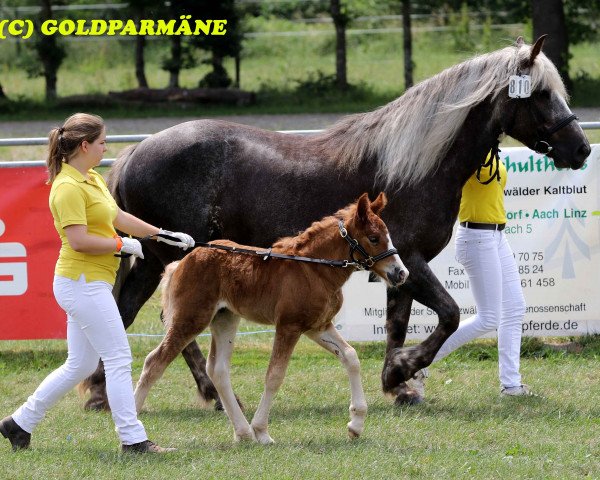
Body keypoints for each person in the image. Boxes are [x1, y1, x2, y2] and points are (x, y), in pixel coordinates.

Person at [0, 113, 195, 453]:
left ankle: (19, 423)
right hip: (82, 283)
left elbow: (117, 217)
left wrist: (161, 234)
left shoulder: (89, 179)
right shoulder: (66, 188)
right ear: (85, 145)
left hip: (89, 284)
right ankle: (133, 441)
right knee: (119, 358)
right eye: (103, 142)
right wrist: (122, 245)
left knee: (81, 364)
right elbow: (78, 240)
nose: (107, 147)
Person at [416, 150, 531, 398]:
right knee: (489, 318)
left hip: (498, 236)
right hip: (476, 237)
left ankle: (511, 385)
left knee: (515, 308)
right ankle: (418, 361)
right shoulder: (468, 151)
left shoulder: (491, 151)